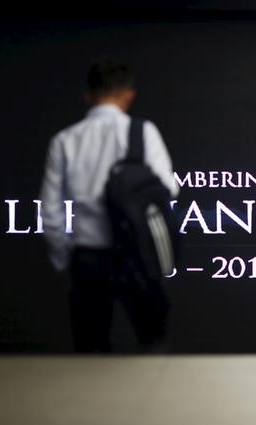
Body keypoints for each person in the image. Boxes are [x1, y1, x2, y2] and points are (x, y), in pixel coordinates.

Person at [39, 59, 179, 353]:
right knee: (153, 346)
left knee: (90, 351)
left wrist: (66, 256)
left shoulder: (64, 140)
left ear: (88, 96)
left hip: (88, 257)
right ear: (129, 96)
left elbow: (51, 212)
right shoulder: (143, 132)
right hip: (138, 254)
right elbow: (169, 190)